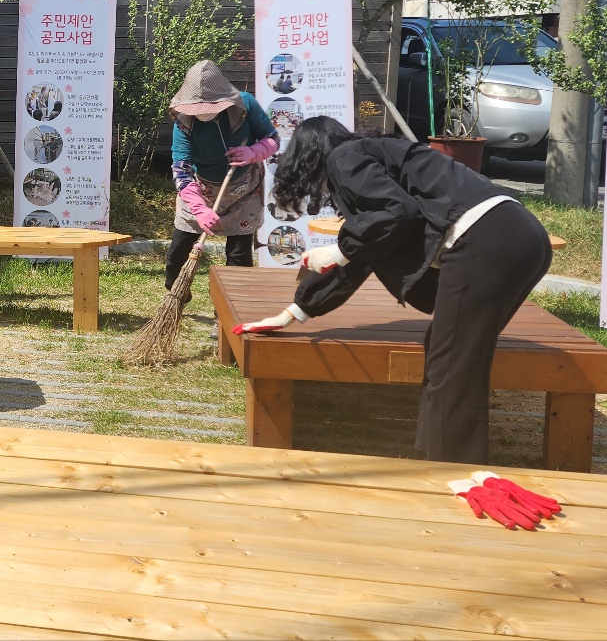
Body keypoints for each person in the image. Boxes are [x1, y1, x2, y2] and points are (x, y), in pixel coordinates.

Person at [233, 117, 552, 465]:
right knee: (446, 351)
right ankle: (438, 456)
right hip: (524, 236)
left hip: (487, 238)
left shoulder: (344, 157)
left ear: (307, 153)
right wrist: (295, 312)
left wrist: (338, 251)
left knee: (454, 365)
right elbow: (371, 245)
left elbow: (394, 215)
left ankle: (458, 471)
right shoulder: (375, 155)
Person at [165, 60, 278, 284]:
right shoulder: (184, 121)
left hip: (243, 190)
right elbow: (181, 169)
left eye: (207, 107)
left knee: (239, 257)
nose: (201, 112)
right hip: (200, 190)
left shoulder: (246, 106)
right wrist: (199, 210)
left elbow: (272, 139)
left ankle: (228, 313)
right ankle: (176, 295)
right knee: (177, 253)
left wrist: (253, 152)